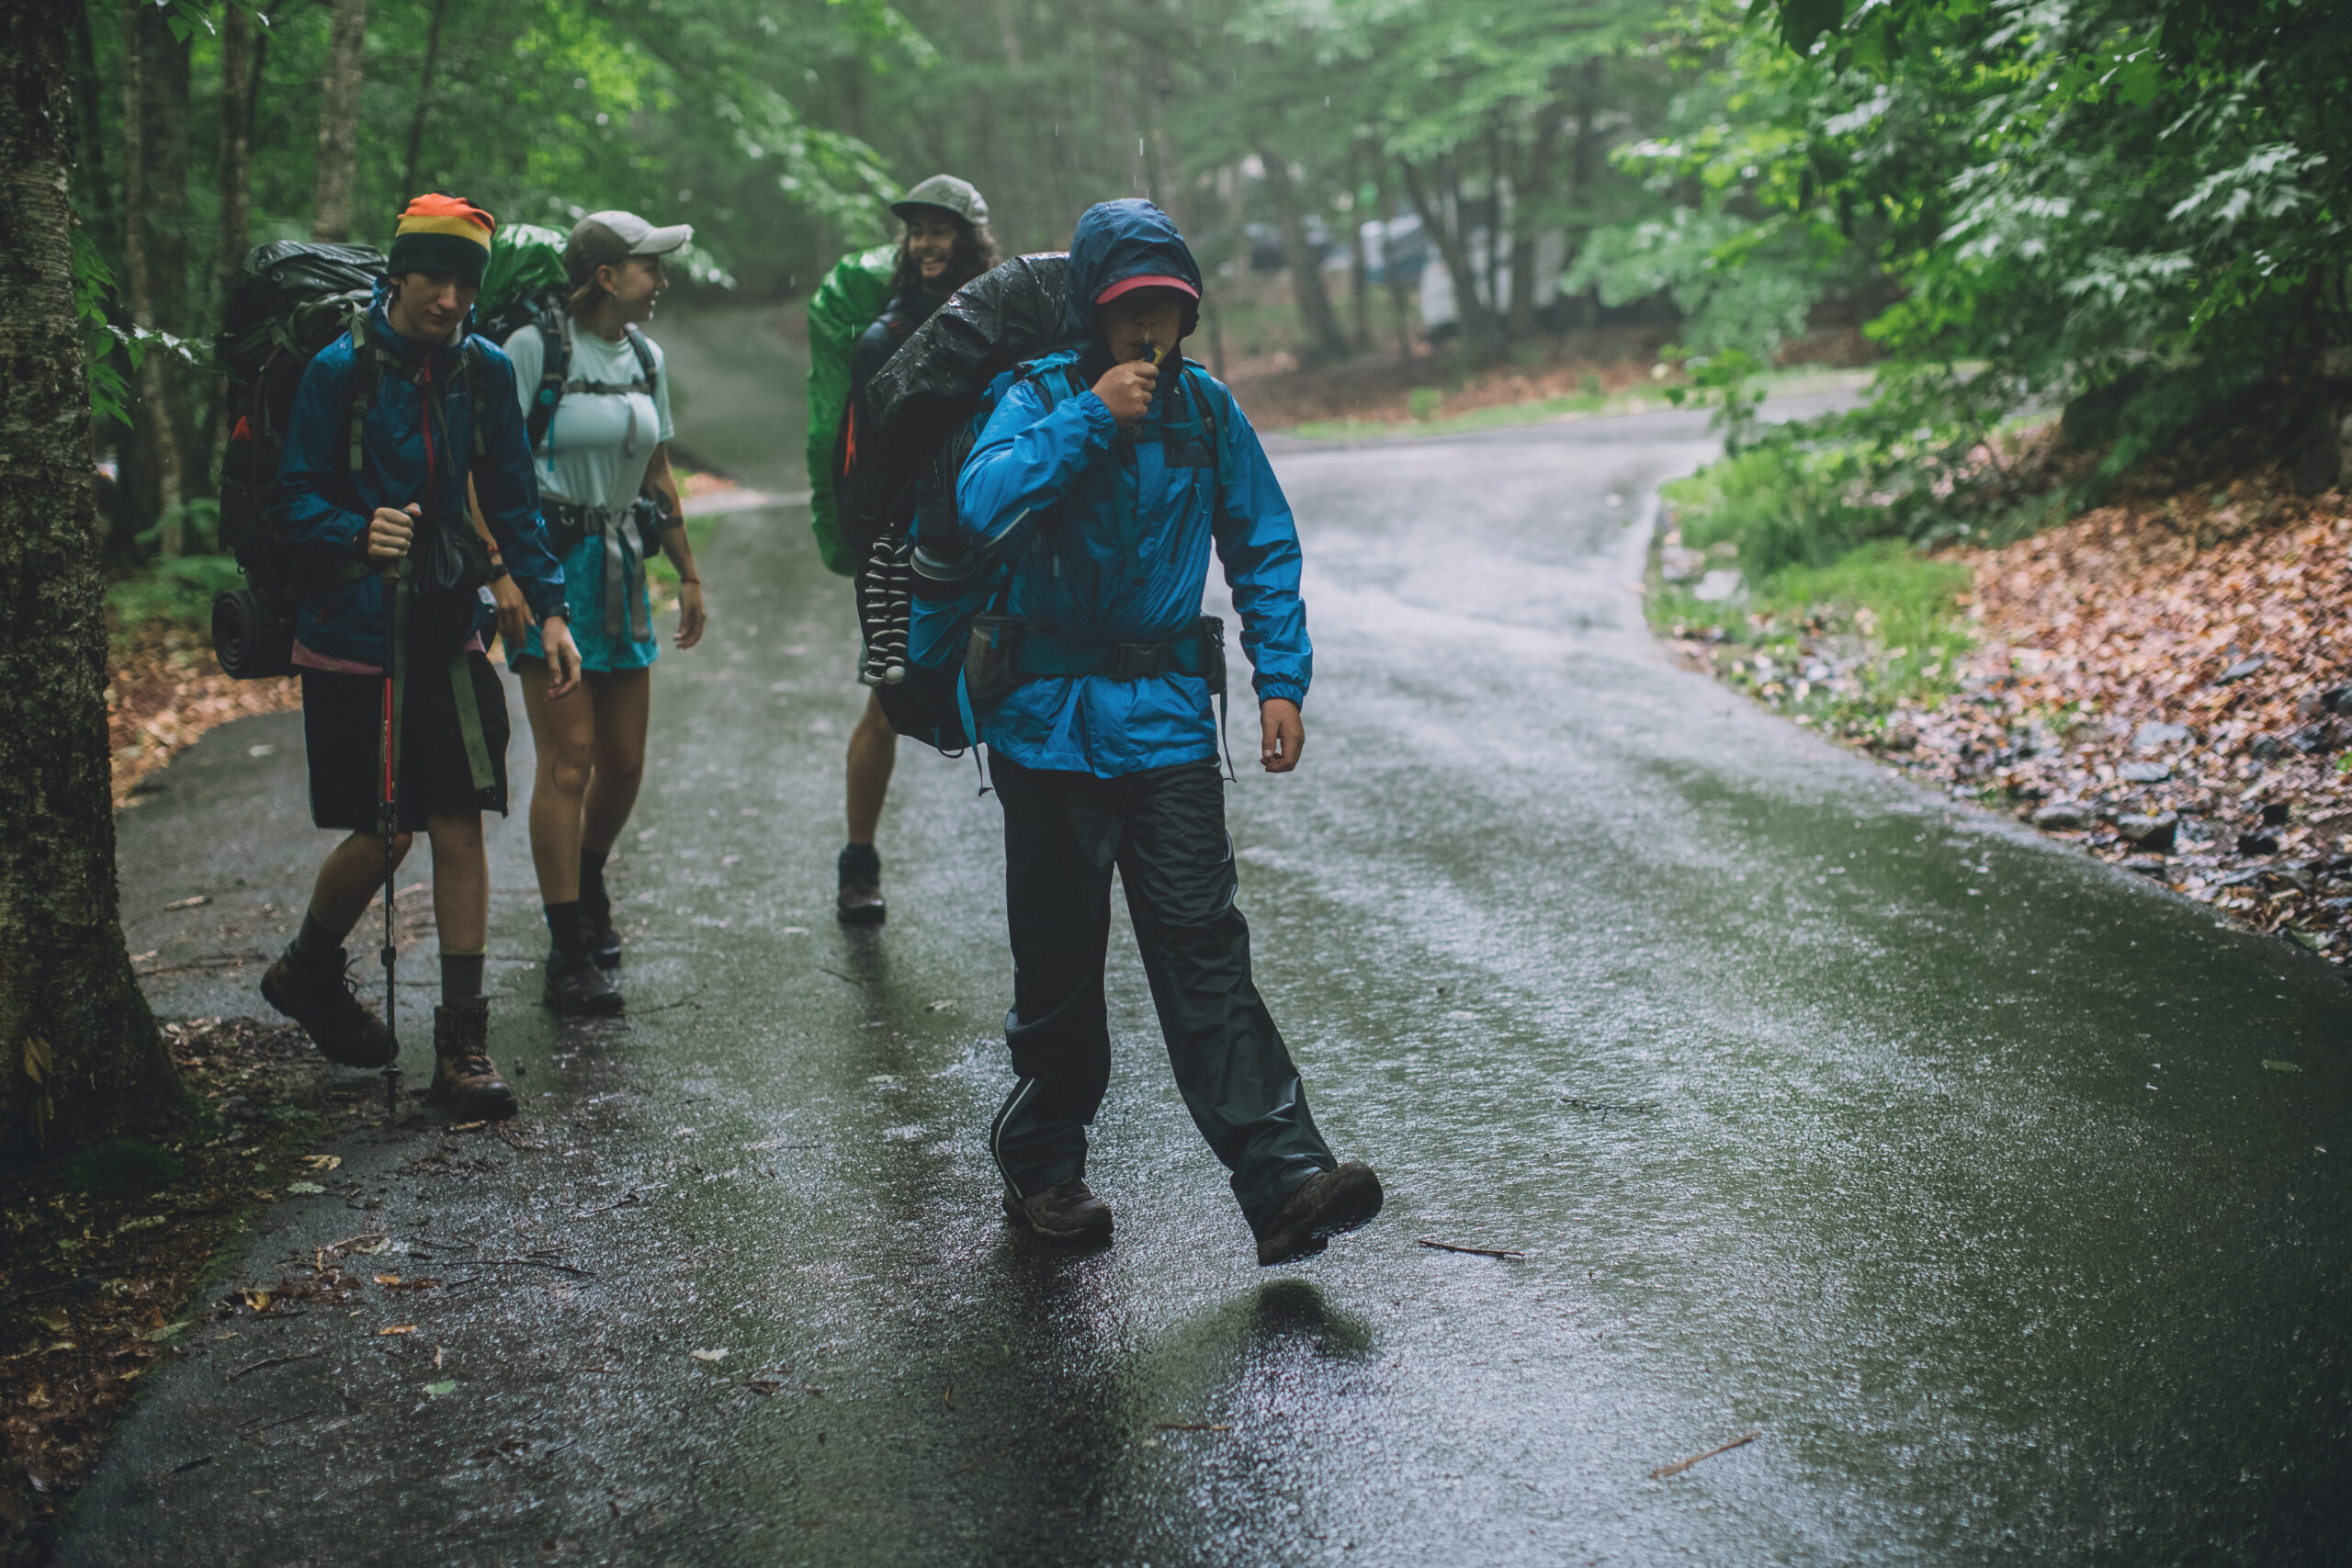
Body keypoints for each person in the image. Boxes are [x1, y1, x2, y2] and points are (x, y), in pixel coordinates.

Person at [951, 198, 1383, 1267]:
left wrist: (1280, 677)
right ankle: (1043, 1160)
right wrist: (1090, 415)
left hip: (1169, 733)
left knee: (1203, 952)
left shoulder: (1207, 414)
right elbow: (980, 504)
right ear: (1092, 313)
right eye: (1129, 308)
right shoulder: (1037, 398)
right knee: (1061, 970)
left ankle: (1284, 1181)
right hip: (1046, 730)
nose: (1149, 329)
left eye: (1167, 309)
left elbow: (1262, 542)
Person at [260, 193, 579, 1117]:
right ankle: (310, 970)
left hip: (445, 624)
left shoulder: (480, 371)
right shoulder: (338, 372)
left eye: (465, 281)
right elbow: (293, 503)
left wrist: (549, 613)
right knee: (386, 827)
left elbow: (513, 501)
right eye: (434, 276)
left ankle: (462, 1048)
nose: (449, 297)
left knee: (458, 819)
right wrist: (360, 530)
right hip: (354, 630)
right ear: (397, 274)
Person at [501, 210, 706, 1013]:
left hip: (623, 566)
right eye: (648, 265)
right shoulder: (534, 350)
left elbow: (656, 467)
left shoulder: (646, 356)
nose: (660, 279)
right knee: (571, 761)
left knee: (623, 761)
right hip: (553, 569)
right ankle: (565, 948)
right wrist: (503, 575)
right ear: (606, 276)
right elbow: (494, 469)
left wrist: (688, 571)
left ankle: (587, 883)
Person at [837, 175, 999, 924]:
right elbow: (865, 456)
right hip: (905, 543)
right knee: (889, 698)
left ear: (970, 237)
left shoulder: (1003, 324)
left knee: (1017, 686)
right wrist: (877, 542)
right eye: (917, 231)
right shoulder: (886, 336)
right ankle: (858, 860)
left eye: (941, 230)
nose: (927, 243)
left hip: (993, 534)